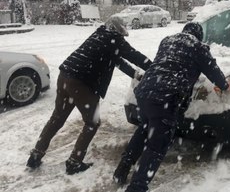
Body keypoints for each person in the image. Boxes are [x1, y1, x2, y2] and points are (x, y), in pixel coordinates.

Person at [113, 22, 230, 192]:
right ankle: (137, 187)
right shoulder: (198, 46)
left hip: (144, 92)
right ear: (199, 36)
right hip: (165, 97)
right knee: (157, 144)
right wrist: (225, 86)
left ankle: (122, 170)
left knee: (145, 129)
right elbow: (212, 70)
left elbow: (168, 64)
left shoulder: (167, 41)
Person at [26, 16, 152, 175]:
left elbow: (117, 61)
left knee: (57, 118)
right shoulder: (114, 40)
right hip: (81, 83)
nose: (121, 36)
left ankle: (36, 155)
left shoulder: (99, 36)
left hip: (65, 76)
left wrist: (137, 75)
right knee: (92, 122)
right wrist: (154, 67)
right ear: (117, 31)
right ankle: (74, 162)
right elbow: (135, 56)